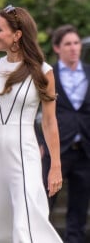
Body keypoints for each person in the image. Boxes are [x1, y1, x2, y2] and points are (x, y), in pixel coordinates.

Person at [0, 5, 63, 243]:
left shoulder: (43, 72)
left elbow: (49, 122)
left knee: (25, 223)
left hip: (24, 156)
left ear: (17, 35)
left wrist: (55, 165)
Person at [41, 24, 90, 243]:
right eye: (68, 44)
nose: (73, 48)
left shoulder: (89, 73)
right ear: (57, 48)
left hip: (85, 151)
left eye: (76, 43)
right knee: (44, 205)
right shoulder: (47, 75)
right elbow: (37, 112)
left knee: (79, 211)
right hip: (56, 151)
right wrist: (39, 142)